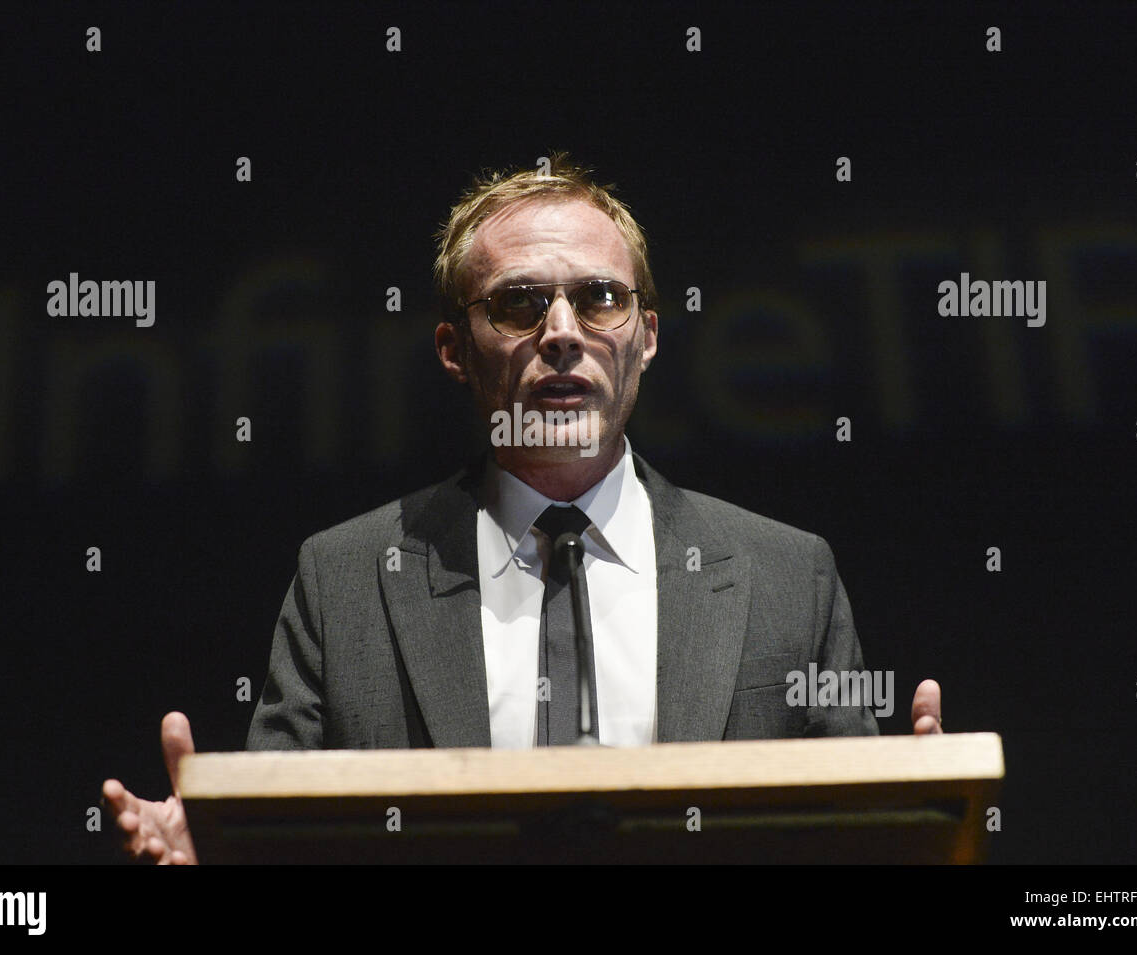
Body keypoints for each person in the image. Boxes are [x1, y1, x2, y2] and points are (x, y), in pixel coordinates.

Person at [102, 154, 943, 864]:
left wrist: (915, 833)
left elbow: (851, 837)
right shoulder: (346, 578)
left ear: (647, 335)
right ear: (453, 349)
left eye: (601, 297)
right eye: (519, 303)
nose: (563, 331)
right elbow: (279, 840)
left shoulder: (789, 575)